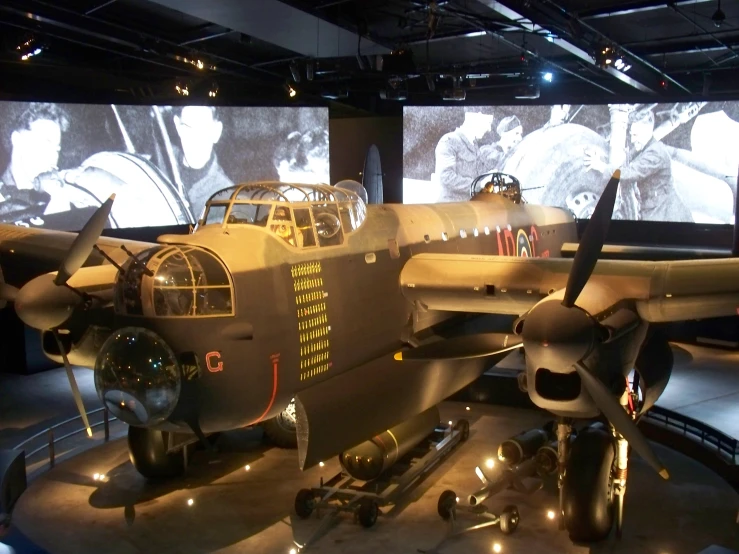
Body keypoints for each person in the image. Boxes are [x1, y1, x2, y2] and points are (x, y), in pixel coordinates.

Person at [583, 108, 693, 222]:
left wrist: (602, 167)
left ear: (648, 131)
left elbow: (630, 173)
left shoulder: (655, 154)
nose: (632, 139)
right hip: (654, 208)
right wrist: (601, 157)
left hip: (667, 214)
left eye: (635, 135)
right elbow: (625, 159)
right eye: (631, 135)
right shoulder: (644, 147)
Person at [0, 102, 93, 222]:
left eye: (56, 150)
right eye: (46, 143)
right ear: (17, 140)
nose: (53, 157)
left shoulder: (63, 196)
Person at [173, 106, 234, 218]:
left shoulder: (227, 199)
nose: (195, 140)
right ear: (178, 126)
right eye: (188, 127)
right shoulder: (159, 163)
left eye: (204, 129)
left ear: (217, 131)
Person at [434, 107, 496, 202]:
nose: (489, 129)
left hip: (469, 206)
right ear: (476, 118)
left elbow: (475, 173)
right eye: (488, 122)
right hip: (450, 208)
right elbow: (446, 177)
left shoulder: (473, 144)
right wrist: (479, 184)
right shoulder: (449, 141)